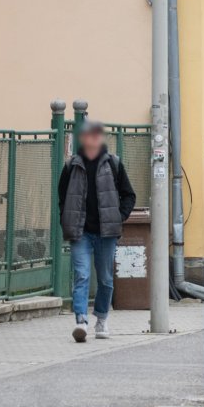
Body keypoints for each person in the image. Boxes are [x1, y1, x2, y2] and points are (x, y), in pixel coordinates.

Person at [57, 121, 137, 342]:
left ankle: (101, 319)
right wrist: (67, 220)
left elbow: (129, 195)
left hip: (106, 233)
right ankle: (81, 321)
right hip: (80, 232)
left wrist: (118, 217)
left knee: (105, 279)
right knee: (82, 275)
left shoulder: (113, 164)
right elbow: (62, 198)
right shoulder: (71, 165)